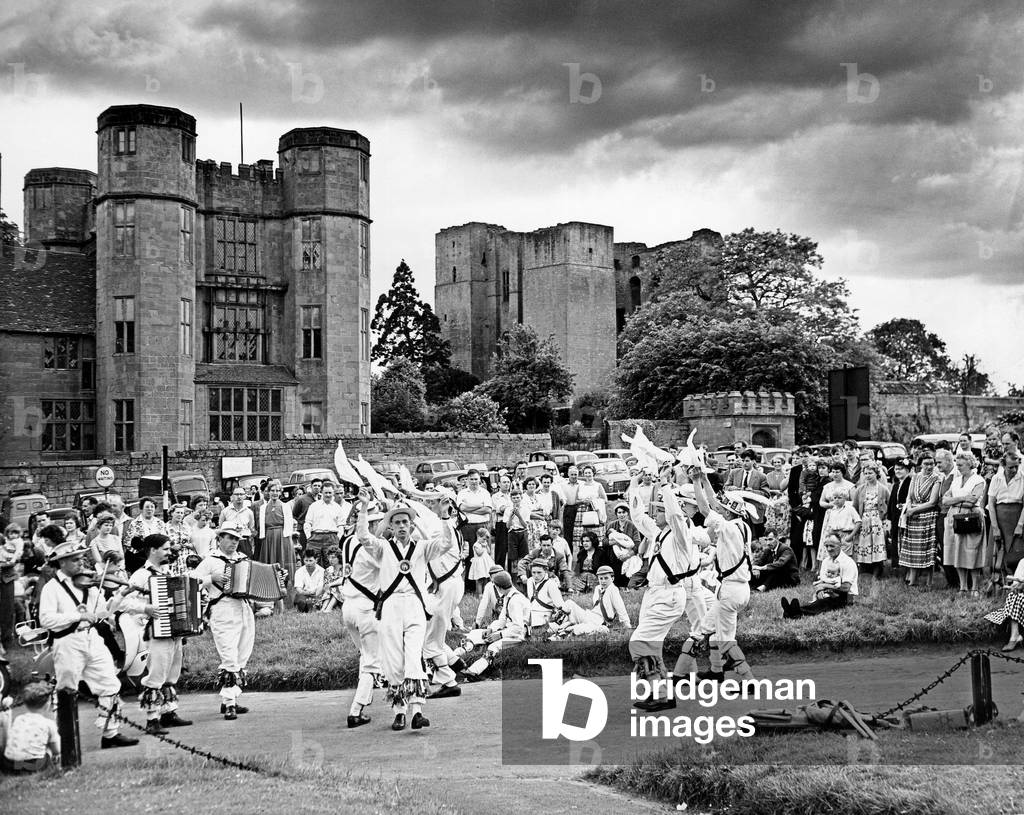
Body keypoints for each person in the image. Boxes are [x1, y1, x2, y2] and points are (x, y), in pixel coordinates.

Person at [355, 490, 451, 731]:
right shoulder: (383, 548)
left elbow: (446, 544)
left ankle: (418, 710)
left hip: (415, 607)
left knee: (413, 657)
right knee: (393, 660)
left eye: (405, 522)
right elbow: (364, 537)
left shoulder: (422, 548)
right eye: (396, 522)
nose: (401, 526)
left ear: (411, 525)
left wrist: (444, 515)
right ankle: (399, 711)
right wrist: (364, 509)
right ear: (390, 526)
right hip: (391, 608)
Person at [37, 537, 138, 749]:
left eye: (82, 558)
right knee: (66, 690)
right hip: (66, 642)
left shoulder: (89, 586)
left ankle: (111, 734)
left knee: (110, 683)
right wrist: (77, 616)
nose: (82, 563)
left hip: (92, 639)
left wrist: (120, 595)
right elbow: (46, 620)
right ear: (62, 563)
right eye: (75, 560)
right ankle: (63, 739)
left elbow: (103, 612)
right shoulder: (52, 588)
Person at [628, 481, 701, 711]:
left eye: (659, 510)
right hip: (655, 593)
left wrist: (667, 485)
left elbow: (676, 515)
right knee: (652, 645)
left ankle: (660, 693)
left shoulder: (680, 534)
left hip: (668, 595)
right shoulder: (659, 533)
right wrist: (634, 484)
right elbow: (638, 517)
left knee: (639, 644)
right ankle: (662, 694)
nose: (655, 513)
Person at [685, 471, 756, 683]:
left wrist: (696, 482)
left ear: (727, 512)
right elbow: (715, 504)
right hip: (739, 588)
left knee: (725, 640)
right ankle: (716, 671)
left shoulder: (727, 527)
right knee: (707, 628)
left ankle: (748, 680)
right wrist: (705, 479)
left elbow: (706, 507)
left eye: (723, 508)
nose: (720, 509)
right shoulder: (742, 525)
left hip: (731, 589)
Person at [125, 534, 193, 734]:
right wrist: (145, 609)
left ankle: (168, 712)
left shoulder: (167, 571)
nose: (169, 552)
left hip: (174, 630)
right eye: (165, 548)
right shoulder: (140, 575)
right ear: (153, 550)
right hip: (155, 631)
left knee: (172, 671)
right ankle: (152, 718)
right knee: (156, 673)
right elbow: (123, 602)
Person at [192, 523, 256, 720]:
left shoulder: (243, 560)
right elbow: (191, 581)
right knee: (228, 655)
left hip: (243, 608)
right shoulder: (210, 560)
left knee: (242, 653)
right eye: (230, 538)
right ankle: (229, 703)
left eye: (237, 539)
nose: (234, 542)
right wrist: (211, 578)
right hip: (222, 608)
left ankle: (231, 699)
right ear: (219, 539)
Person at [339, 520, 383, 728]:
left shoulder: (348, 541)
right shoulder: (373, 548)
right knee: (371, 660)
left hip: (348, 606)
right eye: (379, 523)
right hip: (366, 608)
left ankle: (364, 694)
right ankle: (356, 710)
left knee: (365, 656)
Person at [456, 570, 531, 680]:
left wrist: (500, 635)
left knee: (493, 646)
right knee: (474, 634)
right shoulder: (508, 596)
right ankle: (454, 660)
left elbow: (518, 627)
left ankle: (473, 672)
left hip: (519, 635)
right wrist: (491, 629)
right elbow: (502, 619)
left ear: (498, 587)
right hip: (508, 630)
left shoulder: (515, 600)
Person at [942, 452, 986, 596]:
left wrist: (955, 500)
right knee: (957, 551)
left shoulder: (979, 480)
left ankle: (974, 587)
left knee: (972, 551)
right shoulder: (956, 480)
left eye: (960, 465)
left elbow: (971, 502)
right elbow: (944, 500)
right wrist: (961, 498)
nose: (958, 467)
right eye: (957, 464)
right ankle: (962, 587)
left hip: (971, 517)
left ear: (969, 464)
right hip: (954, 518)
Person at [782, 535, 858, 618]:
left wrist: (825, 587)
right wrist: (819, 590)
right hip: (828, 592)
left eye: (832, 546)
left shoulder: (848, 562)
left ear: (840, 545)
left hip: (844, 597)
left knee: (822, 604)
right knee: (817, 604)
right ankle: (793, 611)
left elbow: (846, 588)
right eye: (827, 546)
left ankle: (794, 611)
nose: (829, 549)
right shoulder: (826, 561)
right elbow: (822, 580)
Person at [551, 565, 631, 637]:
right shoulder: (598, 588)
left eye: (606, 578)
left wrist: (627, 625)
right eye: (601, 578)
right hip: (589, 615)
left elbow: (620, 608)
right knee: (569, 603)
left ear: (612, 578)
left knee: (577, 627)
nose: (603, 581)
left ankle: (560, 628)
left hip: (599, 621)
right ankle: (556, 625)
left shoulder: (613, 589)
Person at [901, 454, 942, 589]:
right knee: (913, 548)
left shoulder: (936, 478)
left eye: (931, 463)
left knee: (927, 549)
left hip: (928, 515)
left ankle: (929, 581)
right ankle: (913, 579)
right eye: (926, 464)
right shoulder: (915, 477)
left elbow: (933, 502)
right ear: (920, 465)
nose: (929, 466)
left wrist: (915, 510)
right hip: (913, 516)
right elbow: (909, 497)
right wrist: (909, 508)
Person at [1, 682, 60, 773]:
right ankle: (52, 766)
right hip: (32, 766)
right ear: (47, 704)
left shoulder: (19, 719)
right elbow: (57, 750)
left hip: (9, 765)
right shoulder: (48, 724)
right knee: (49, 748)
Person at [257, 480, 296, 613]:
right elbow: (262, 525)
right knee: (269, 565)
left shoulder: (285, 506)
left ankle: (285, 599)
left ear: (280, 492)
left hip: (281, 537)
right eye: (272, 491)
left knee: (282, 565)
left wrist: (286, 540)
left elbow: (289, 525)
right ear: (268, 492)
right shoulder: (263, 507)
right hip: (268, 537)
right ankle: (268, 599)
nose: (274, 493)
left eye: (277, 491)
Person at [988, 453, 1024, 576]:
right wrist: (995, 527)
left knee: (1017, 552)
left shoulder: (1022, 477)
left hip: (1016, 517)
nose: (1014, 470)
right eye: (1010, 467)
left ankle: (1017, 581)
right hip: (999, 518)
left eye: (1016, 467)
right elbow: (991, 504)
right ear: (1003, 465)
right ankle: (1000, 582)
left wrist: (1020, 524)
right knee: (998, 551)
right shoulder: (996, 478)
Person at [852, 463, 890, 576]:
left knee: (877, 543)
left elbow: (888, 504)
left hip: (877, 520)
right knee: (864, 543)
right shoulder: (860, 489)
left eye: (870, 473)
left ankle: (878, 568)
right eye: (866, 473)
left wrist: (885, 521)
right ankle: (864, 567)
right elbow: (854, 506)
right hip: (864, 519)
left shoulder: (883, 489)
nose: (868, 475)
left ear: (876, 473)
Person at [303, 482, 348, 567]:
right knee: (313, 563)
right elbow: (308, 522)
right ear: (321, 492)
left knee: (332, 563)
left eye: (330, 493)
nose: (328, 495)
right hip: (315, 538)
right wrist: (308, 536)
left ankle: (330, 580)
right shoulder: (314, 506)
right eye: (326, 492)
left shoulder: (337, 507)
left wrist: (338, 537)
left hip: (331, 538)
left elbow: (341, 525)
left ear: (333, 493)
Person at [984, 557, 1024, 651]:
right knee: (1014, 596)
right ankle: (1014, 635)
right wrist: (1017, 585)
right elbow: (1015, 583)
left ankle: (1018, 636)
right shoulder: (1023, 561)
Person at [572, 465, 608, 552]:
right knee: (583, 535)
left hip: (594, 511)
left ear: (593, 474)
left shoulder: (598, 485)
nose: (588, 475)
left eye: (589, 473)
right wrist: (583, 501)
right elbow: (575, 500)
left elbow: (605, 500)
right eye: (586, 473)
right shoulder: (580, 486)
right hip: (582, 513)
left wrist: (593, 501)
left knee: (594, 535)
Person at [1, 524, 24, 648]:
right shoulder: (4, 540)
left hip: (7, 578)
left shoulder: (18, 543)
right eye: (11, 533)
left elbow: (16, 559)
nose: (13, 535)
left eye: (15, 533)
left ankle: (6, 640)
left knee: (7, 609)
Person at [888, 459, 913, 571]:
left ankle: (906, 565)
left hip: (906, 516)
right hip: (895, 517)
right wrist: (889, 519)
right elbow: (891, 503)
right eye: (896, 469)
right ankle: (896, 564)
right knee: (895, 538)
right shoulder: (896, 484)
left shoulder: (911, 482)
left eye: (900, 469)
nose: (897, 471)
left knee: (904, 539)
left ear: (907, 470)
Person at [219, 488, 257, 557]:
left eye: (241, 494)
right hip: (229, 541)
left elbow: (251, 528)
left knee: (245, 564)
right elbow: (220, 528)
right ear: (232, 496)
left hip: (244, 542)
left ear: (245, 496)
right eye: (236, 494)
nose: (239, 496)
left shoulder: (249, 512)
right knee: (230, 564)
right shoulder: (225, 511)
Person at [291, 477, 324, 552]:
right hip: (303, 531)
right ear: (311, 487)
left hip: (316, 530)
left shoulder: (322, 500)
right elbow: (294, 514)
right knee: (304, 551)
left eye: (319, 486)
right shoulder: (302, 499)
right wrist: (302, 522)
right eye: (315, 485)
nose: (317, 487)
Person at [490, 473, 513, 572]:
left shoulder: (513, 495)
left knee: (512, 549)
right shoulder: (496, 496)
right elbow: (501, 509)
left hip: (514, 523)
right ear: (499, 484)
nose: (506, 484)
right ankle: (499, 571)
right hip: (501, 524)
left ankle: (512, 572)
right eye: (504, 482)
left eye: (508, 482)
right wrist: (511, 508)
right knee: (501, 550)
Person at [468, 528, 496, 595]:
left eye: (486, 540)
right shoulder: (476, 545)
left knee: (485, 579)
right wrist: (483, 547)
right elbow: (479, 553)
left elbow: (489, 552)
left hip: (485, 564)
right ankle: (479, 594)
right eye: (483, 539)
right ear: (478, 536)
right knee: (479, 580)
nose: (484, 541)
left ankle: (485, 593)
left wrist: (486, 546)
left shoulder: (484, 544)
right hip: (479, 564)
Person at [320, 547, 345, 612]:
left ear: (339, 558)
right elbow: (326, 584)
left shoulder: (345, 568)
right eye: (329, 557)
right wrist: (328, 587)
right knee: (330, 588)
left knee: (336, 587)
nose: (330, 560)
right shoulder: (328, 570)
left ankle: (328, 608)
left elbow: (344, 580)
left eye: (333, 557)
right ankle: (323, 608)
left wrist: (331, 585)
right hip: (329, 595)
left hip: (344, 593)